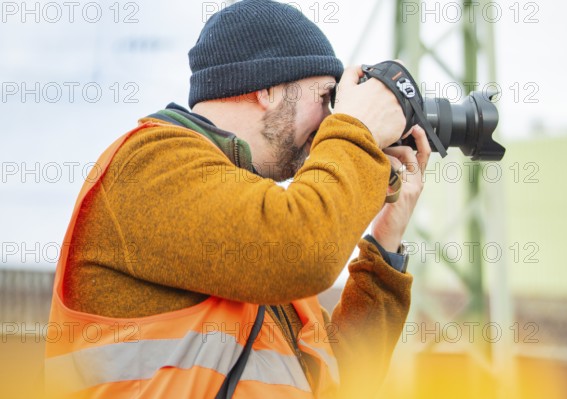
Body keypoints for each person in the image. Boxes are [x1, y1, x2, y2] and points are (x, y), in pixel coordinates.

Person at [45, 0, 431, 398]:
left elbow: (344, 381)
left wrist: (385, 243)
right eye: (327, 99)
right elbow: (303, 251)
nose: (328, 123)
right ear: (269, 89)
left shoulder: (255, 233)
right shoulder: (149, 165)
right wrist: (357, 129)